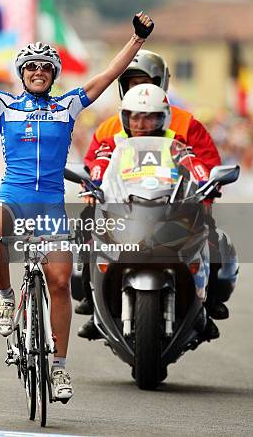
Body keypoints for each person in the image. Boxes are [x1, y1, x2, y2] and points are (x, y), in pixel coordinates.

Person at [0, 11, 154, 402]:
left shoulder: (68, 106)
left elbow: (106, 76)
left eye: (45, 67)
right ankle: (7, 298)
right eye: (31, 67)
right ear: (22, 73)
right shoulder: (4, 104)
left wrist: (137, 39)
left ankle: (58, 369)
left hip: (50, 210)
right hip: (13, 198)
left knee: (59, 283)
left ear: (53, 74)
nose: (38, 71)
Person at [78, 83, 238, 342]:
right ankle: (91, 299)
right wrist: (90, 182)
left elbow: (197, 167)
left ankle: (209, 304)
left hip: (168, 211)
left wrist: (209, 183)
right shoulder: (114, 144)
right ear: (125, 117)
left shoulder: (177, 145)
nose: (141, 123)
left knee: (213, 237)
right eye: (135, 116)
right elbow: (97, 165)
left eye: (150, 116)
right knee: (87, 234)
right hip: (128, 211)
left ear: (163, 117)